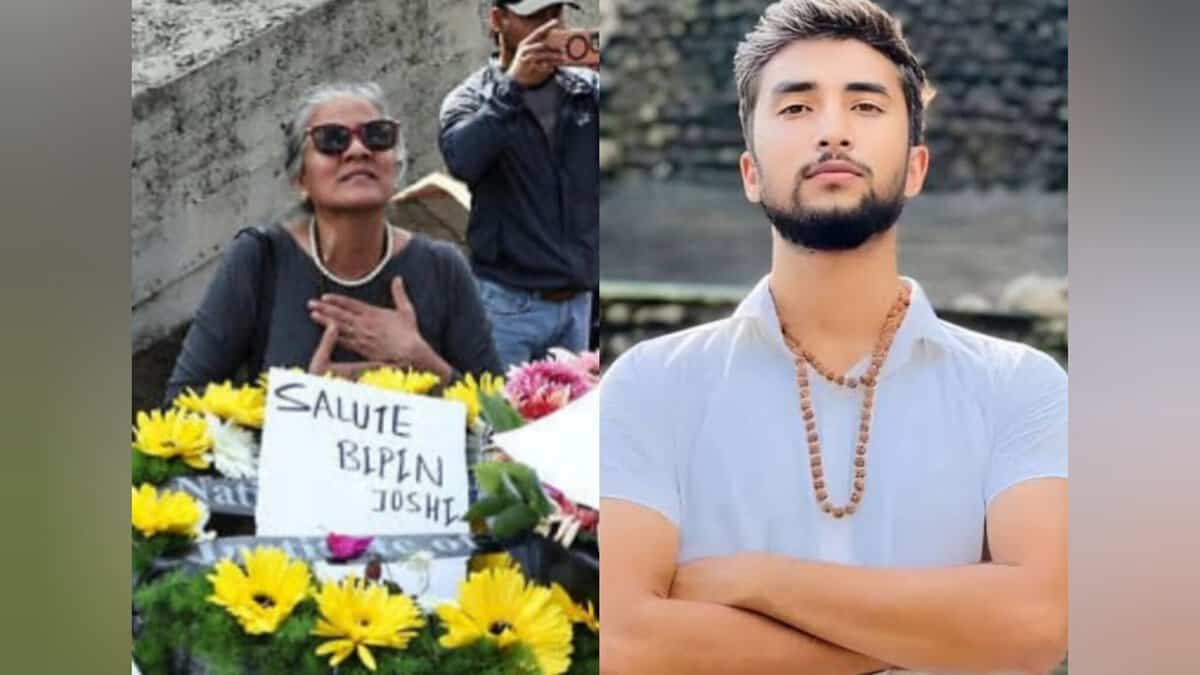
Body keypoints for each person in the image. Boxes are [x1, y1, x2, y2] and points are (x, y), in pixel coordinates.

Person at [600, 2, 1068, 674]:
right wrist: (940, 633)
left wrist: (755, 579)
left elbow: (1033, 628)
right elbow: (629, 644)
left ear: (915, 167)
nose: (833, 132)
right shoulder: (653, 382)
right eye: (796, 108)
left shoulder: (1017, 385)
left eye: (866, 107)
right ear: (750, 173)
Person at [165, 82, 502, 404]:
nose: (358, 150)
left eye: (378, 136)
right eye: (332, 140)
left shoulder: (443, 267)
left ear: (395, 166)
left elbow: (501, 422)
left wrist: (422, 361)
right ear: (301, 178)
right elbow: (182, 402)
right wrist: (307, 400)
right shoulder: (259, 259)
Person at [438, 0, 599, 369]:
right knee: (502, 421)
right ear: (499, 19)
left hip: (577, 302)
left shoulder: (585, 90)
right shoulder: (471, 99)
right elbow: (463, 160)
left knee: (569, 423)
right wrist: (512, 88)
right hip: (507, 306)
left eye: (556, 14)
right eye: (534, 17)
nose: (549, 26)